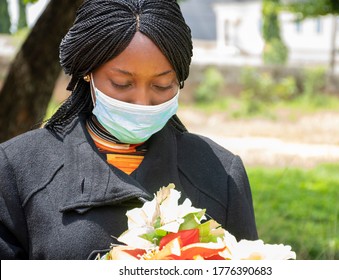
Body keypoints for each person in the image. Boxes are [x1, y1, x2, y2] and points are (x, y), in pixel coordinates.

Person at [0, 0, 258, 260]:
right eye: (122, 83)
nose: (142, 102)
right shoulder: (17, 170)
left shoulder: (220, 173)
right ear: (88, 71)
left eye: (162, 85)